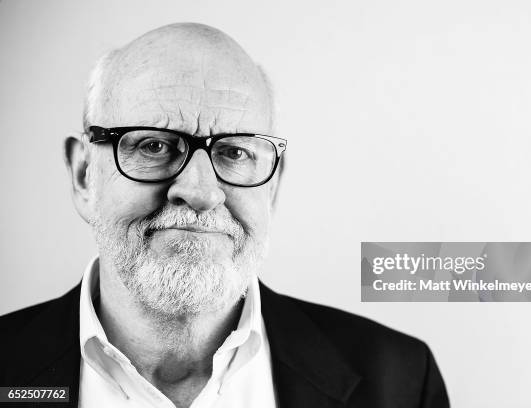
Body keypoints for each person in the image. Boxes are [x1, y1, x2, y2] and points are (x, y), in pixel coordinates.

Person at [0, 23, 449, 408]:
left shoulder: (400, 382)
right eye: (153, 145)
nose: (198, 191)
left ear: (271, 187)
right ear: (83, 175)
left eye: (235, 152)